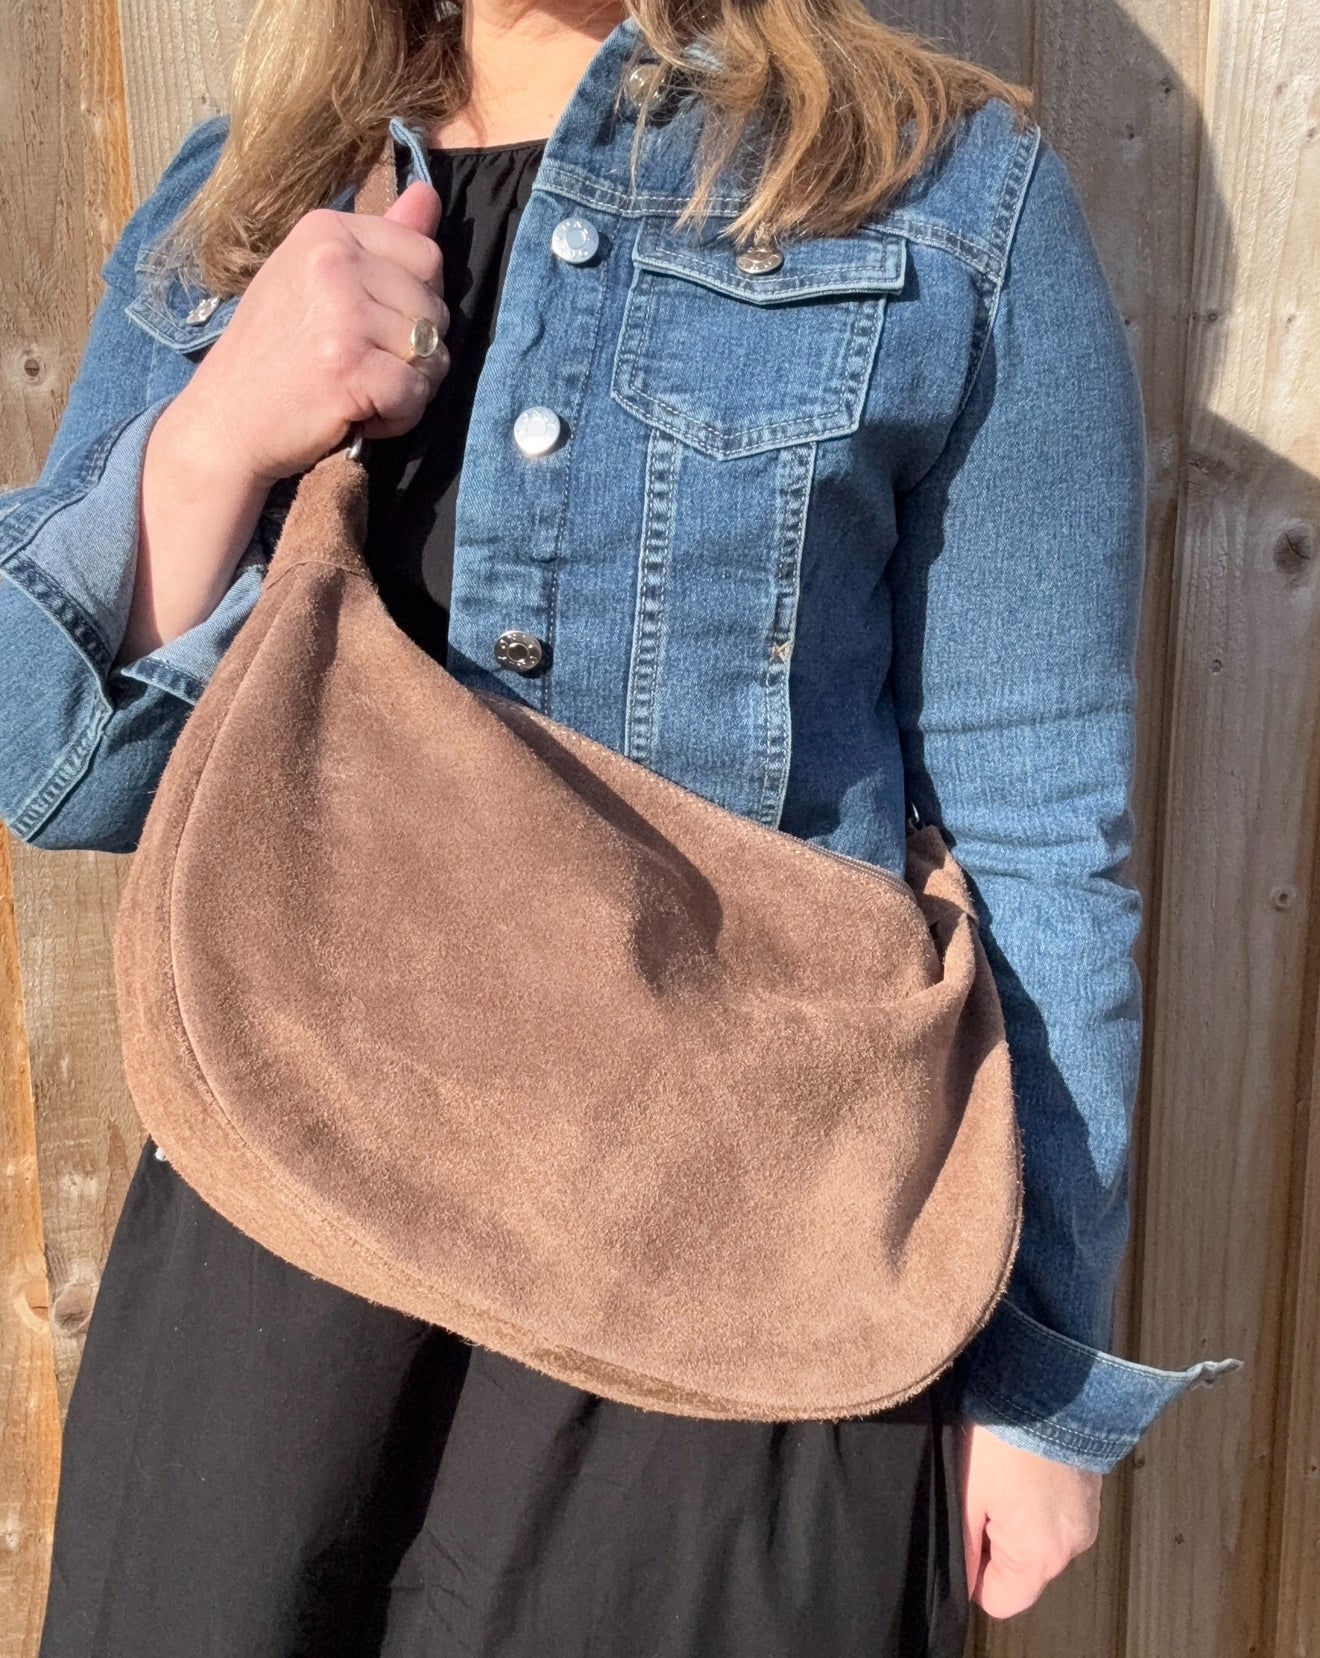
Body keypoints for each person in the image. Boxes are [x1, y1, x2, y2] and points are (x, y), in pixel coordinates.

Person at [1, 0, 1238, 1651]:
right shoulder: (252, 192)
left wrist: (1036, 1380)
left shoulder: (941, 197)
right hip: (277, 1265)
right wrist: (218, 432)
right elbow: (54, 765)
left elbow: (1039, 826)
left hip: (739, 1300)